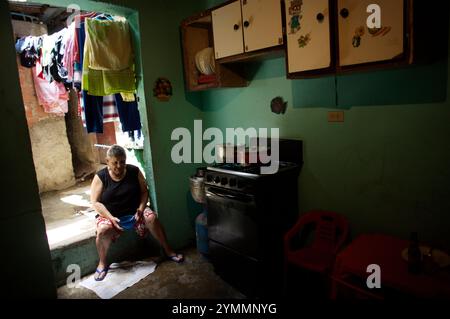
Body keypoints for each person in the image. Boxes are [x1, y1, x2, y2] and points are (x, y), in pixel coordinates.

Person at [90, 144, 184, 281]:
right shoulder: (101, 177)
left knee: (151, 217)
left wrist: (140, 209)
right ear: (107, 161)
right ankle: (103, 262)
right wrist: (110, 218)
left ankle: (168, 250)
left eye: (122, 161)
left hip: (135, 212)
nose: (119, 166)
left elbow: (144, 191)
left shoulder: (134, 171)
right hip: (110, 216)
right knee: (103, 229)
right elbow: (95, 202)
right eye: (115, 162)